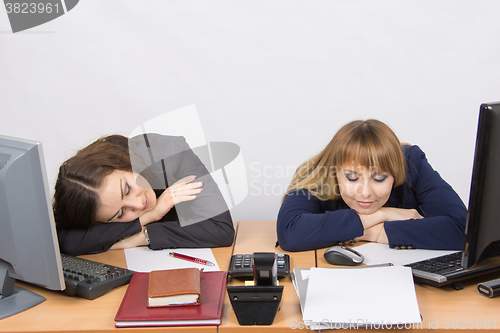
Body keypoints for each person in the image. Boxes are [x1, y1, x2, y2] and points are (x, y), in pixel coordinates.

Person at [277, 119, 467, 252]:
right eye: (352, 178)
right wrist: (383, 214)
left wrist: (374, 233)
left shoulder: (411, 163)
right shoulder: (318, 173)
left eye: (379, 178)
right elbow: (290, 232)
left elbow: (464, 230)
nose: (366, 192)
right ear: (334, 172)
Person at [54, 133, 234, 255]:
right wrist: (150, 215)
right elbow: (67, 241)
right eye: (120, 213)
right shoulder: (86, 197)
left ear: (122, 164)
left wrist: (140, 238)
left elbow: (221, 229)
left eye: (127, 189)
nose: (138, 204)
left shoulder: (170, 153)